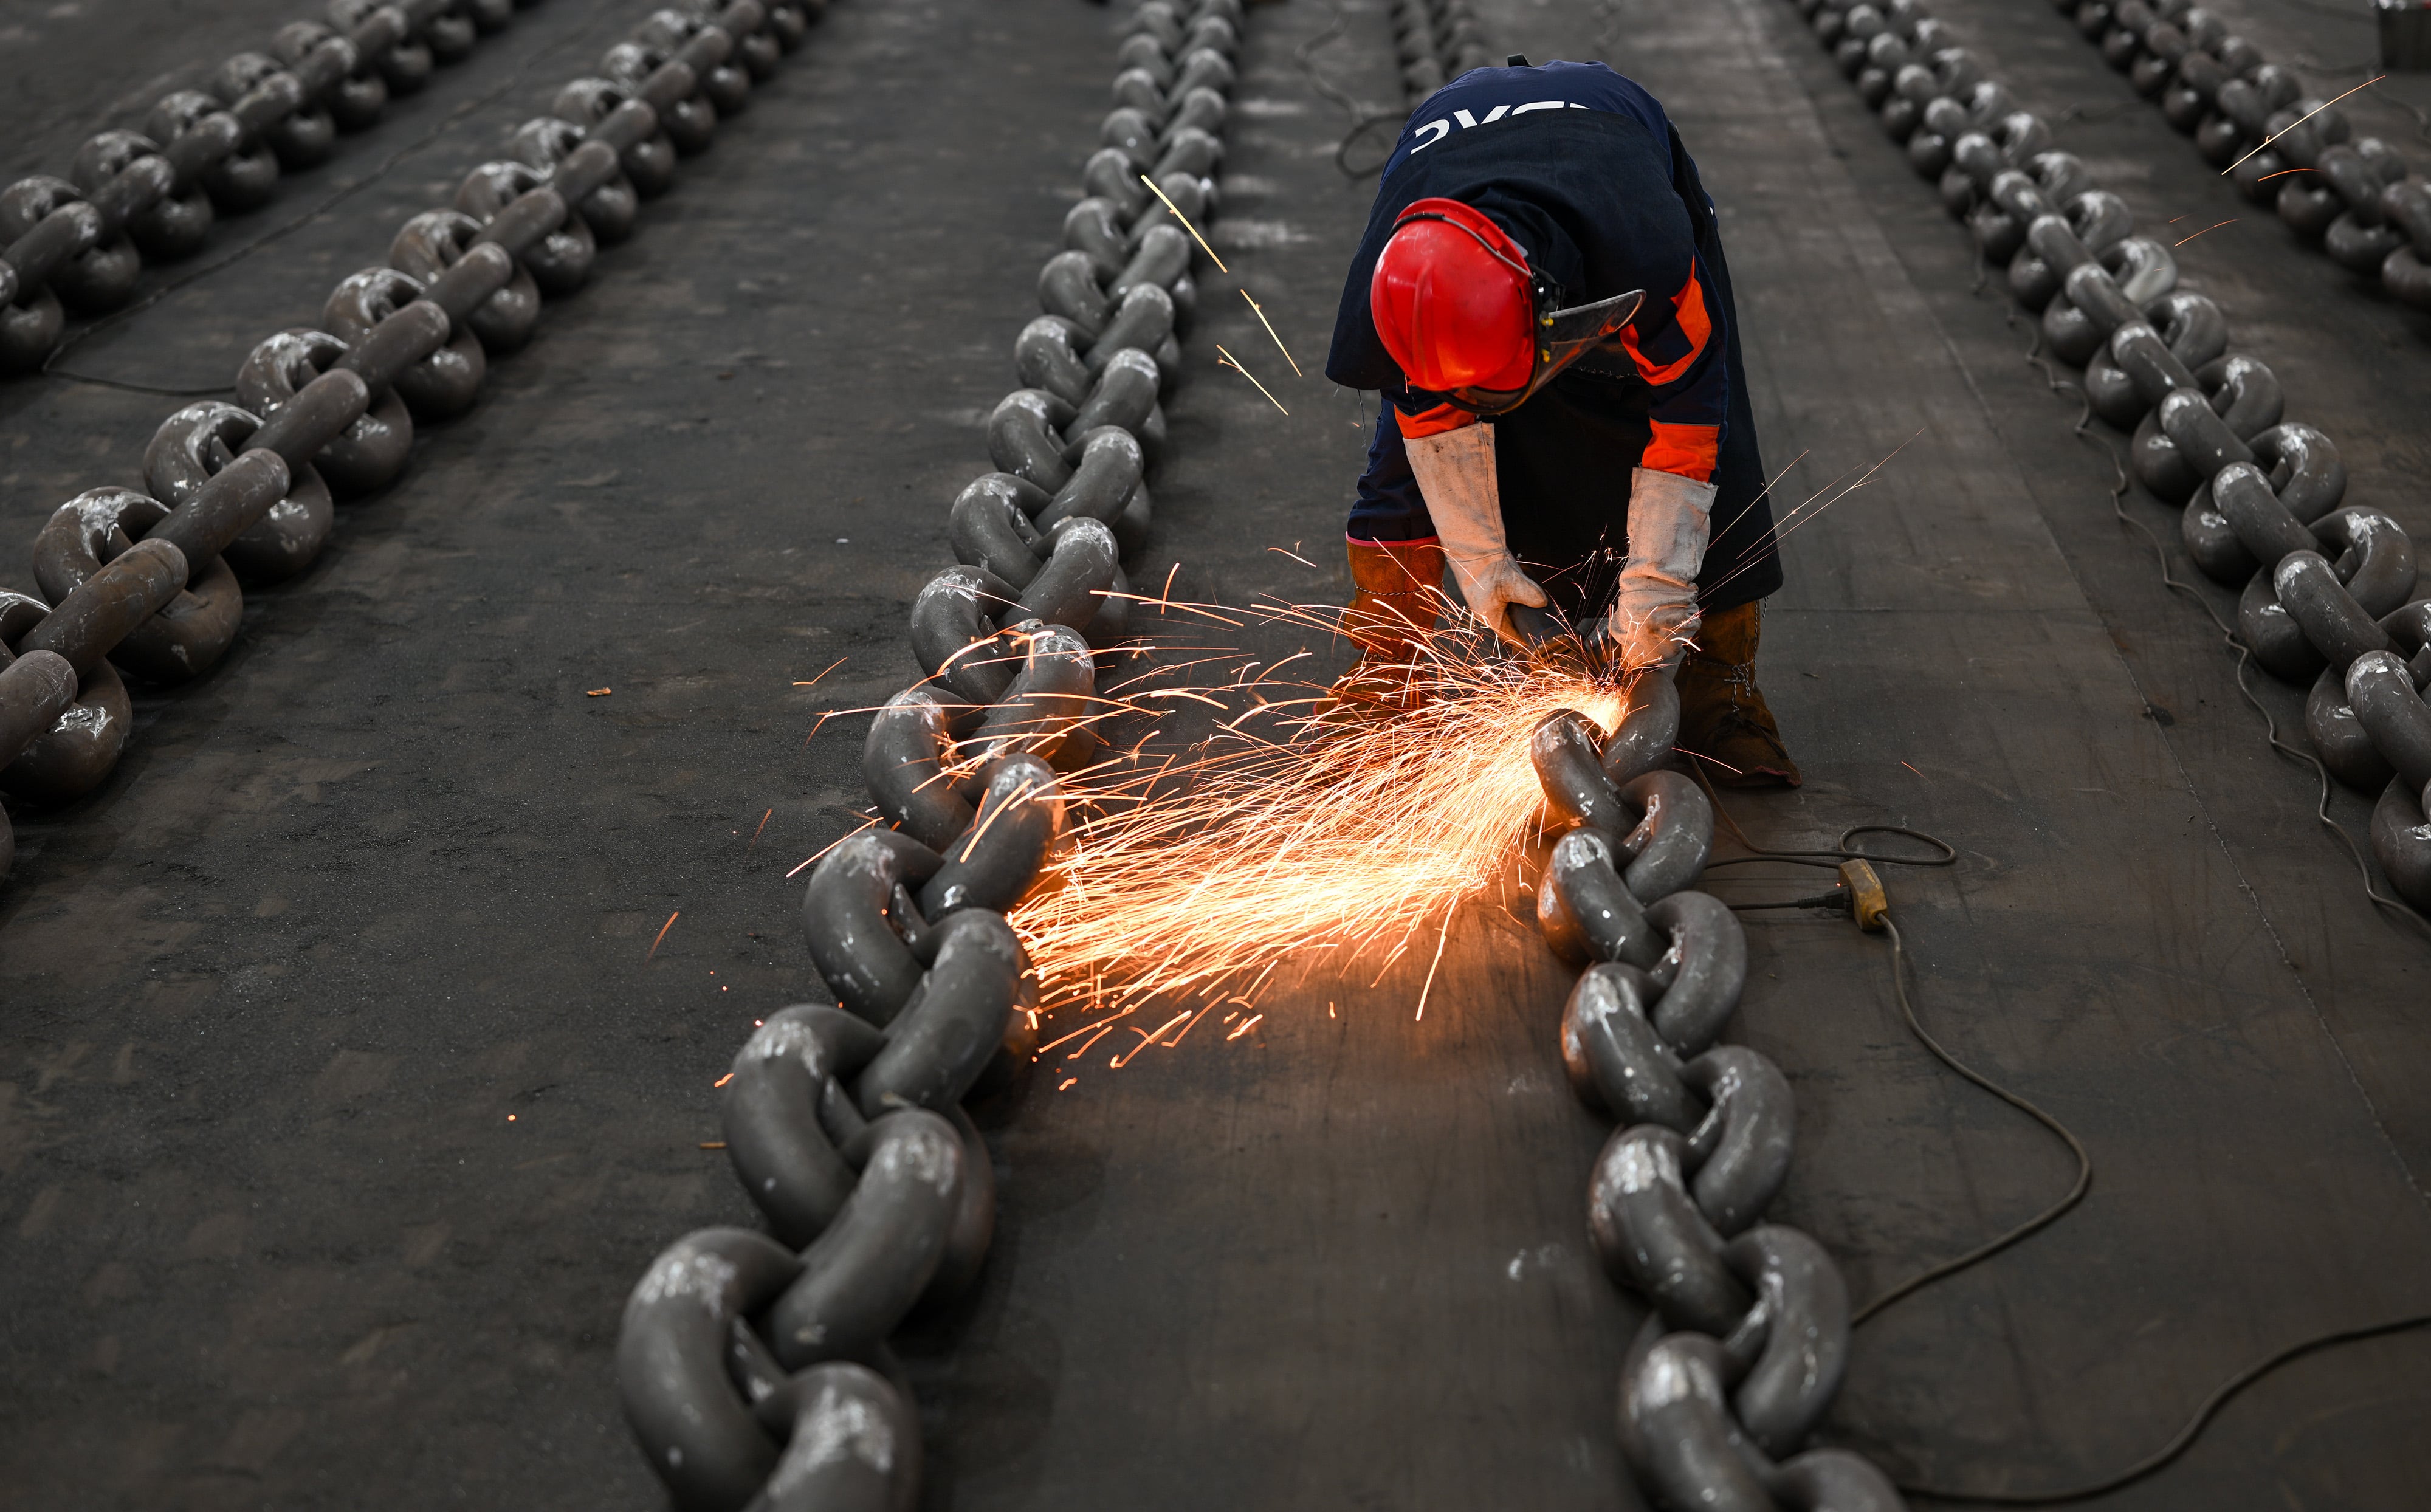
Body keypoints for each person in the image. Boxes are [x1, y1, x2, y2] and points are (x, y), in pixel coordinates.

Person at [1321, 57, 1798, 787]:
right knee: (1397, 475)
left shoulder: (1648, 250)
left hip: (1608, 151)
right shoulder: (1390, 289)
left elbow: (1689, 421)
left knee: (1719, 443)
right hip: (1453, 198)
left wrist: (1655, 596)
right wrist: (1487, 575)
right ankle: (1387, 673)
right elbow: (1428, 433)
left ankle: (1721, 687)